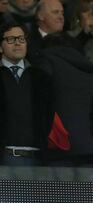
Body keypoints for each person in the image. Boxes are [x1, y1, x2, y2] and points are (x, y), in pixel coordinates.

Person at [37, 32, 93, 167]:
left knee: (58, 189)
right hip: (92, 148)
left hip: (60, 146)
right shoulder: (91, 73)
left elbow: (39, 98)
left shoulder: (46, 61)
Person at [0, 22, 53, 166]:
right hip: (4, 158)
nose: (17, 43)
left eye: (21, 39)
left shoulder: (41, 77)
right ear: (1, 46)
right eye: (11, 39)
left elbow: (49, 116)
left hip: (36, 157)